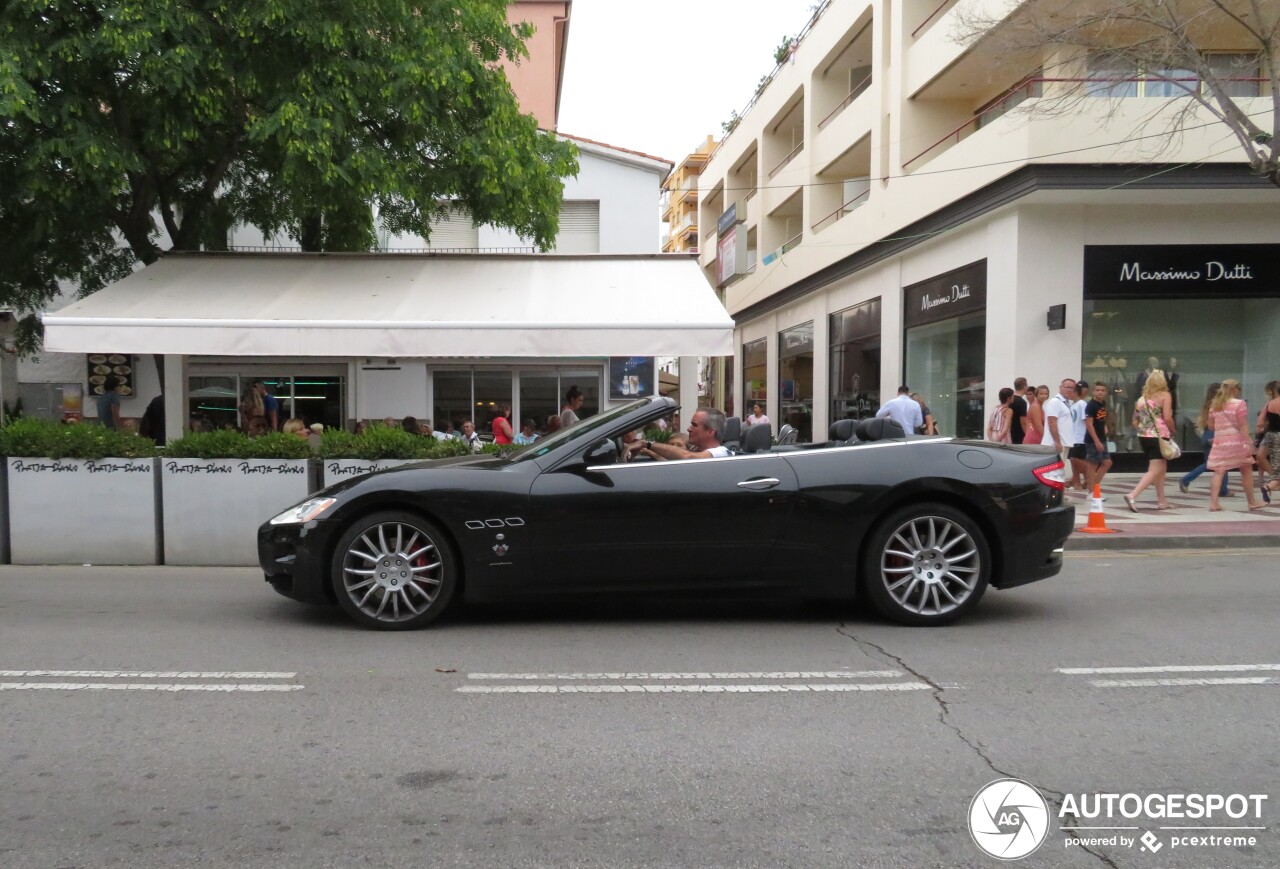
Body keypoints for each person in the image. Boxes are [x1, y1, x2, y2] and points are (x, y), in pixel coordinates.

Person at [1206, 380, 1265, 512]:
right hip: (1237, 441)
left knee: (1219, 471)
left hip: (1220, 442)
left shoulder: (1215, 404)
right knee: (1246, 470)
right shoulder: (1239, 404)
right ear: (1235, 389)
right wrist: (1249, 442)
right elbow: (1243, 425)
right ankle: (1252, 502)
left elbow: (1210, 425)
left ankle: (1213, 503)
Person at [1124, 369, 1175, 512]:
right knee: (1155, 470)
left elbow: (1134, 419)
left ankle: (1162, 501)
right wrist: (1173, 430)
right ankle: (1132, 495)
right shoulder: (1165, 395)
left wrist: (1143, 428)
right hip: (1159, 435)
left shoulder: (1142, 399)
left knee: (1161, 469)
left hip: (1144, 436)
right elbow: (1168, 417)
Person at [1179, 383, 1231, 499]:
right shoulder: (1218, 405)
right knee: (1218, 463)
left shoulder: (1207, 404)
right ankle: (1186, 479)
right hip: (1214, 434)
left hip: (1207, 434)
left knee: (1217, 463)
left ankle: (1223, 489)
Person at [639, 408, 731, 460]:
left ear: (710, 431)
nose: (688, 429)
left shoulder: (720, 453)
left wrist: (646, 443)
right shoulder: (696, 451)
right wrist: (650, 451)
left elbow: (686, 456)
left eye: (694, 425)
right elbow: (670, 461)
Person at [1041, 378, 1080, 482]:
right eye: (1067, 387)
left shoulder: (1066, 403)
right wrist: (1057, 442)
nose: (1069, 390)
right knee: (1053, 473)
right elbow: (1052, 422)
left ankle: (1058, 494)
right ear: (1060, 387)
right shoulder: (1055, 402)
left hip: (1064, 443)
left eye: (1072, 388)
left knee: (1059, 472)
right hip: (1056, 444)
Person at [1083, 381, 1113, 491]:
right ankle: (1091, 491)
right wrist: (1096, 441)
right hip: (1093, 439)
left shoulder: (1102, 404)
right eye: (1097, 390)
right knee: (1093, 464)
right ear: (1093, 391)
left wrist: (1104, 426)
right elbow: (1089, 424)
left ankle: (1093, 486)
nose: (1100, 392)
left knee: (1107, 463)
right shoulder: (1091, 405)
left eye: (1102, 390)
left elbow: (1100, 418)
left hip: (1101, 438)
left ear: (1106, 392)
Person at [1255, 380, 1280, 500]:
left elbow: (1260, 423)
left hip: (1271, 434)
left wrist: (1265, 425)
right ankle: (1274, 482)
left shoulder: (1269, 404)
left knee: (1273, 459)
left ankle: (1274, 482)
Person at [1069, 380, 1091, 490]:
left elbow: (1086, 420)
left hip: (1080, 438)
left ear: (1075, 392)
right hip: (1073, 438)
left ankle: (1090, 478)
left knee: (1076, 459)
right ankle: (1077, 483)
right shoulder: (1072, 405)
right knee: (1073, 461)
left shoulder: (1082, 404)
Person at [1009, 377, 1030, 444]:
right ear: (1024, 387)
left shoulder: (1009, 399)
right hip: (1018, 434)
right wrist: (1028, 435)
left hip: (1009, 432)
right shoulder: (1022, 402)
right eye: (1027, 385)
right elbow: (1023, 421)